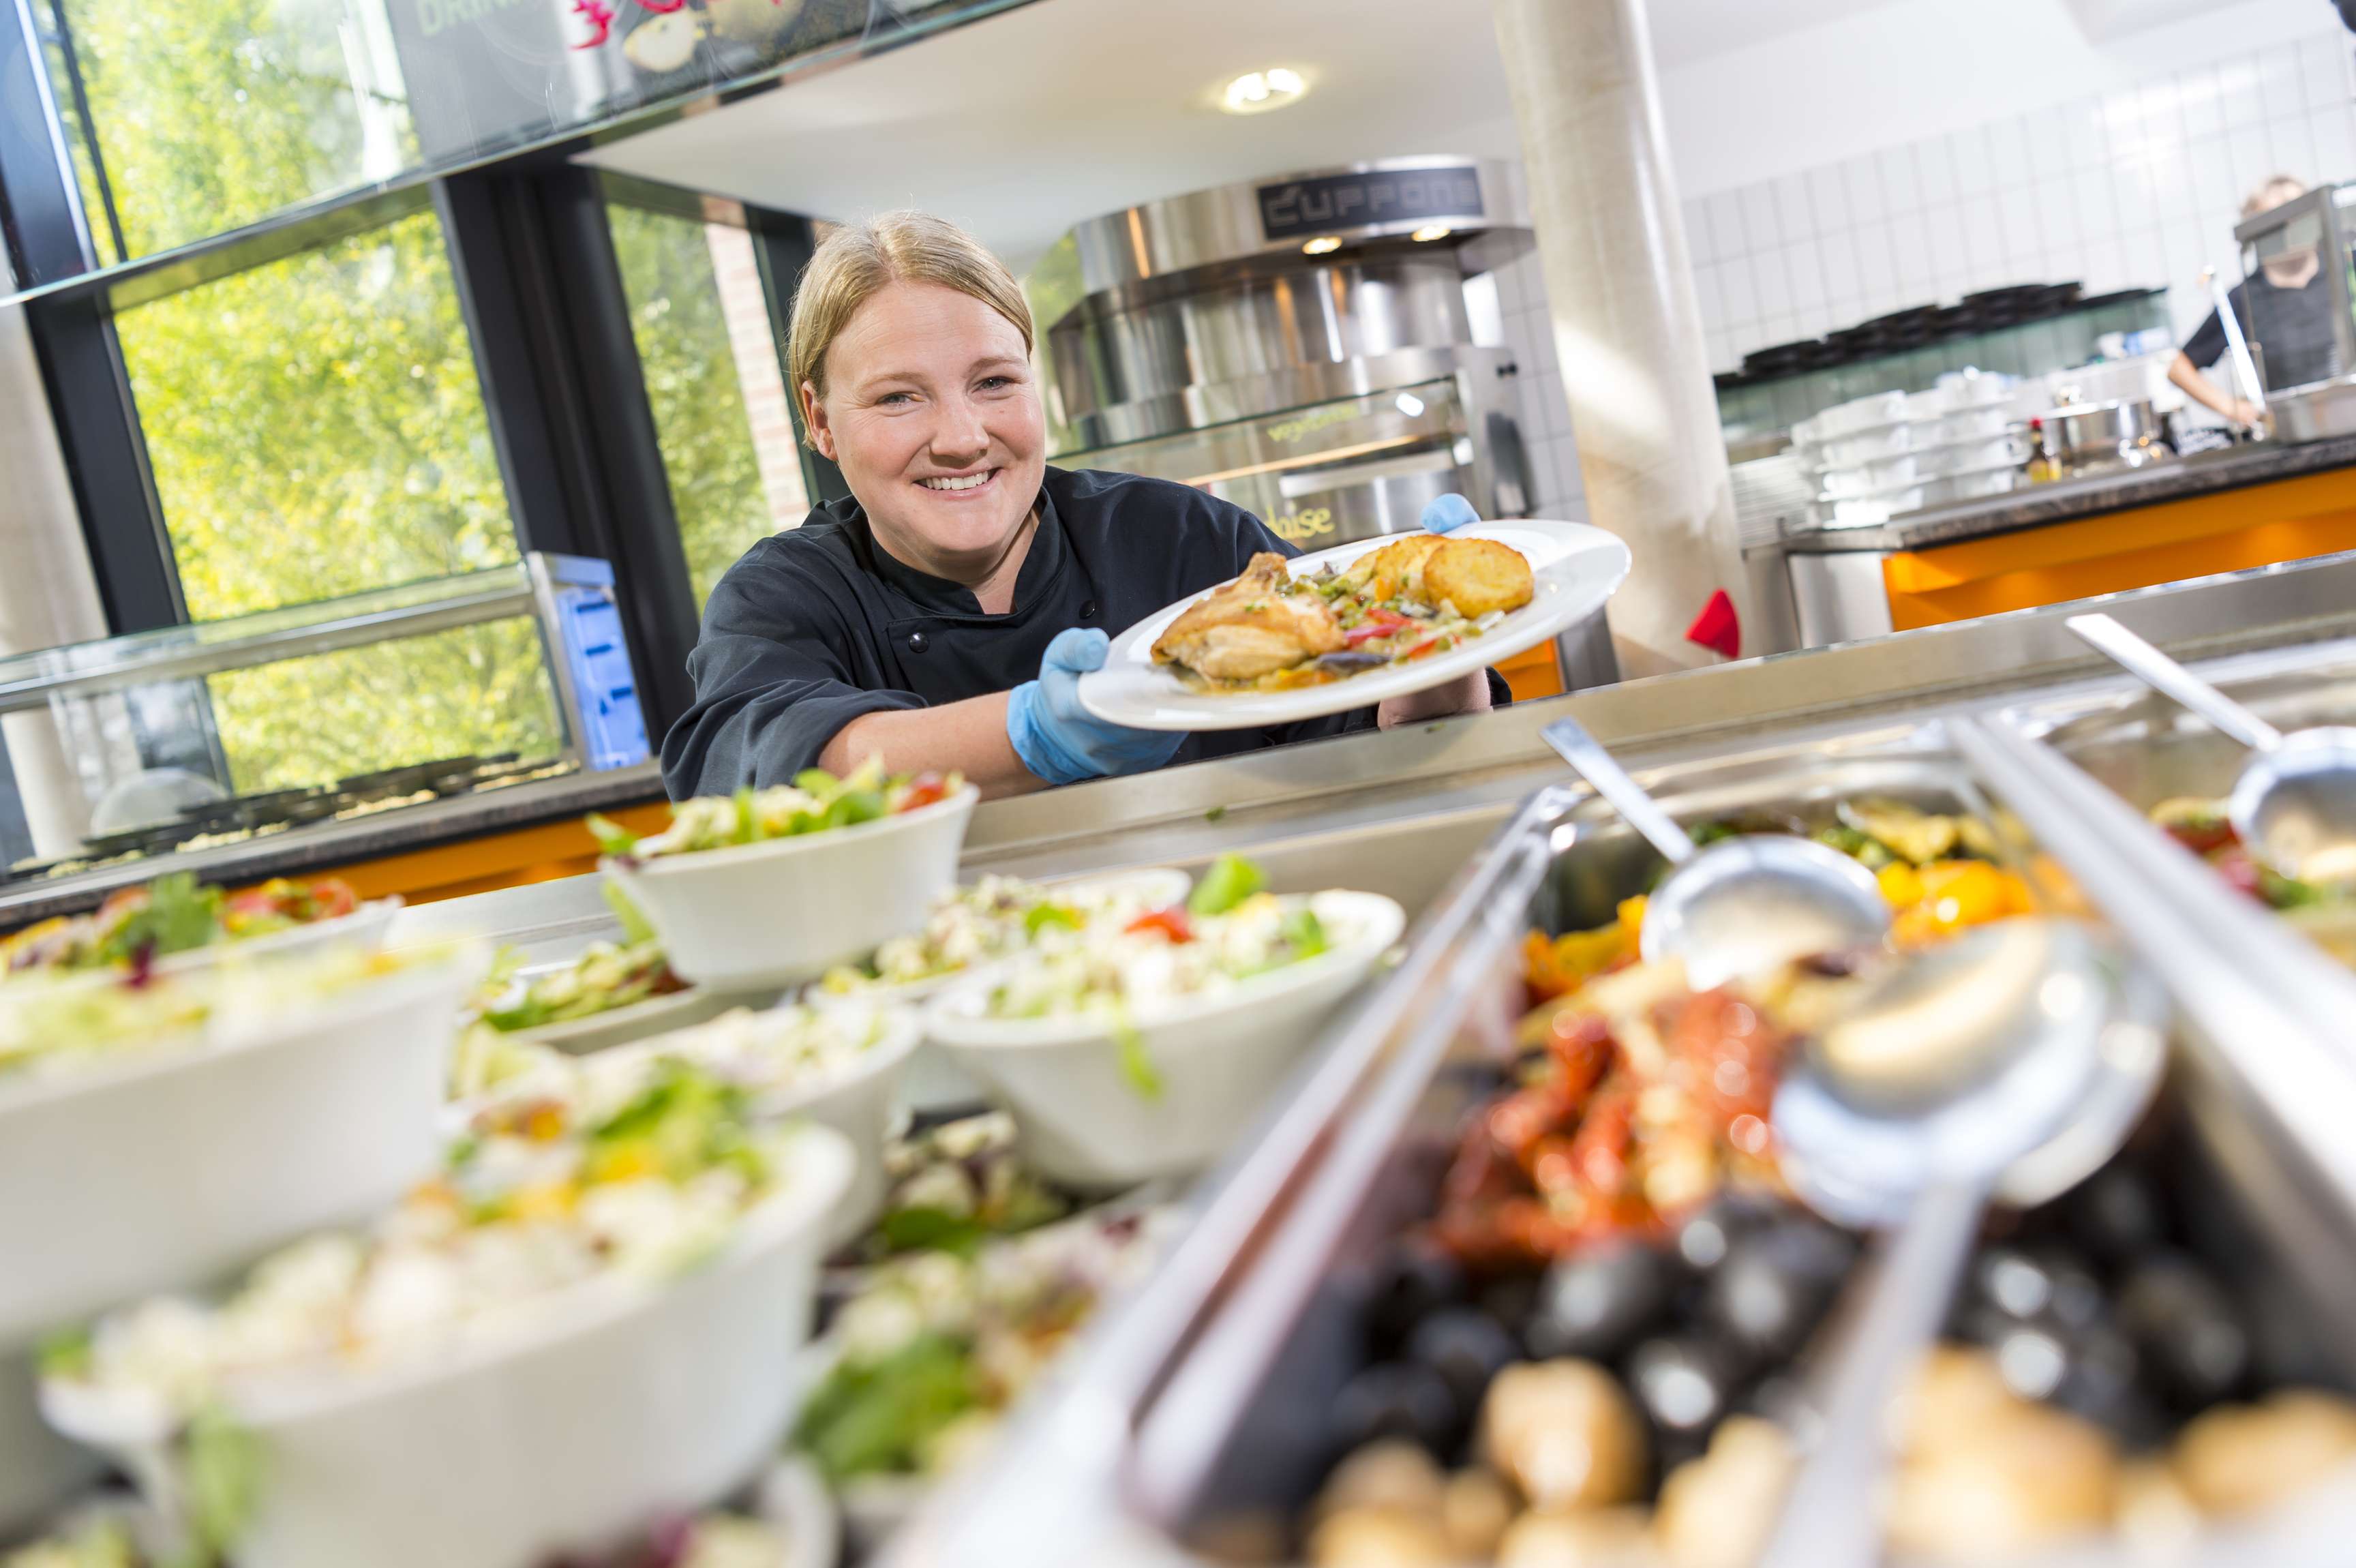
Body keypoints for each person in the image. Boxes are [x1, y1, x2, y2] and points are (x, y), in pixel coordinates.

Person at [661, 211, 1503, 801]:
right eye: (897, 399)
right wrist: (1037, 731)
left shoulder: (1187, 539)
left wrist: (1437, 659)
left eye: (994, 382)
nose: (961, 437)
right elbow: (750, 764)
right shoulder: (790, 592)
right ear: (819, 421)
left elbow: (1385, 743)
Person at [2171, 175, 2336, 426]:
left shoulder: (2345, 269)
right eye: (2278, 221)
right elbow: (2180, 369)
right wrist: (2236, 409)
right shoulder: (2245, 298)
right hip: (2291, 431)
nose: (2290, 226)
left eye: (2297, 213)